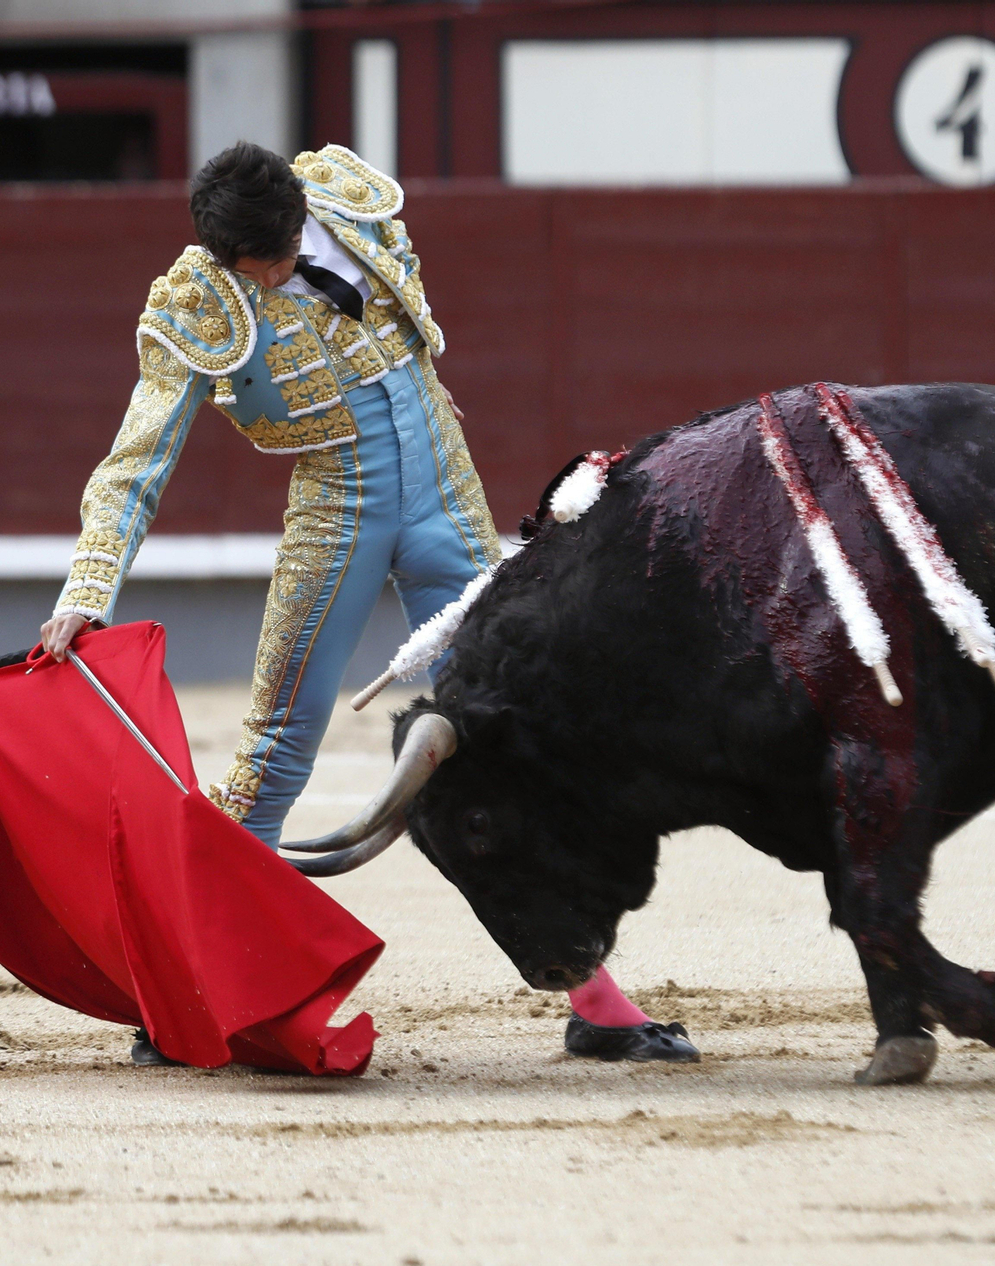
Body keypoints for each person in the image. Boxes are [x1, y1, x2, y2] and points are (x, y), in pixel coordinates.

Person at [38, 141, 698, 1067]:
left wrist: (432, 395)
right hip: (339, 509)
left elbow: (409, 325)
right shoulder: (197, 302)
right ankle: (192, 992)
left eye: (276, 256)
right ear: (221, 256)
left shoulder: (346, 198)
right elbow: (134, 463)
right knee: (275, 749)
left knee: (514, 732)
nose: (269, 277)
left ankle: (591, 997)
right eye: (250, 269)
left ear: (298, 215)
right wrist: (88, 587)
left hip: (444, 492)